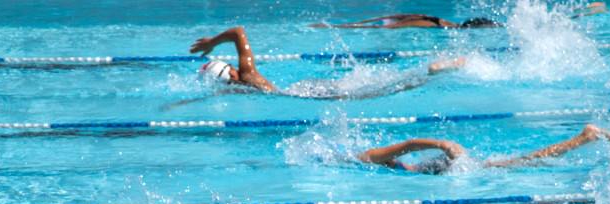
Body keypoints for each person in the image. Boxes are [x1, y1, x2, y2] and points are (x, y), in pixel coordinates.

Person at [189, 25, 466, 97]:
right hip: (305, 88)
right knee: (372, 85)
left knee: (383, 90)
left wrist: (212, 42)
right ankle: (428, 71)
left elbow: (239, 32)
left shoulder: (247, 79)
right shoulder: (245, 77)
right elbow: (238, 33)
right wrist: (212, 43)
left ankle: (429, 73)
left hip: (310, 95)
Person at [358, 124, 610, 173]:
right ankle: (583, 138)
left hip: (443, 167)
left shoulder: (365, 159)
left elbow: (409, 144)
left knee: (522, 163)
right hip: (440, 170)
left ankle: (584, 138)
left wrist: (443, 145)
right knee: (522, 162)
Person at [310, 4, 607, 29]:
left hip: (452, 25)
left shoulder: (427, 20)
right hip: (454, 26)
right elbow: (387, 19)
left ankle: (580, 13)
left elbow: (388, 17)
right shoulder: (427, 22)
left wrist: (340, 26)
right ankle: (580, 14)